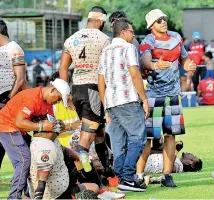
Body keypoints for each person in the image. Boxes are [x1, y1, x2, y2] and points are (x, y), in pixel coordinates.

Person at [137, 8, 196, 188]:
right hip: (153, 96)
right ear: (151, 26)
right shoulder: (148, 41)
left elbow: (184, 59)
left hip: (173, 95)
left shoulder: (176, 37)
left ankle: (167, 176)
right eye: (159, 20)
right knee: (148, 138)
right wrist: (154, 65)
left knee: (171, 136)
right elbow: (145, 61)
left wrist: (188, 65)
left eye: (164, 18)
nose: (163, 22)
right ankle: (139, 175)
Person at [98, 18, 149, 192]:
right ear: (123, 32)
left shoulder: (105, 51)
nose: (133, 35)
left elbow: (101, 81)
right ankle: (128, 177)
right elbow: (135, 74)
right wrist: (144, 99)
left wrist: (105, 105)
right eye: (132, 31)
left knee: (118, 143)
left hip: (111, 102)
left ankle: (121, 178)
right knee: (138, 138)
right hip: (127, 100)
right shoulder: (128, 48)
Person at [0, 78, 70, 199]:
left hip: (19, 129)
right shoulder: (32, 98)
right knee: (23, 161)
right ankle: (14, 197)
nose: (57, 102)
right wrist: (42, 126)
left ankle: (28, 195)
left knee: (31, 158)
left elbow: (50, 133)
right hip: (7, 127)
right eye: (58, 98)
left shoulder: (48, 103)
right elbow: (19, 122)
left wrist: (58, 128)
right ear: (52, 90)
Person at [59, 6, 110, 161]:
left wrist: (65, 94)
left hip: (76, 89)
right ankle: (79, 171)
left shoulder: (71, 39)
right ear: (101, 21)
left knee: (99, 131)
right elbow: (106, 69)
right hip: (94, 90)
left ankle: (107, 170)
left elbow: (63, 68)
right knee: (86, 137)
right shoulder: (104, 39)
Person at [28, 115, 100, 199]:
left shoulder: (50, 138)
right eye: (52, 124)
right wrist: (38, 197)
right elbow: (41, 181)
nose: (56, 126)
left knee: (95, 187)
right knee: (89, 195)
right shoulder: (45, 147)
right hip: (56, 195)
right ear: (45, 128)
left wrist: (79, 156)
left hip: (65, 186)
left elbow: (63, 149)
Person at [0, 19, 26, 189]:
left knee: (21, 150)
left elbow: (20, 78)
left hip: (9, 104)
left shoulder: (13, 49)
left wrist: (6, 101)